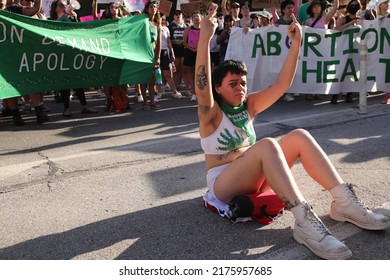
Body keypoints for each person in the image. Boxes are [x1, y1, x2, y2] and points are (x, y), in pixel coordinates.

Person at [195, 3, 390, 260]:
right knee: (266, 145)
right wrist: (205, 39)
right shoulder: (211, 114)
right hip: (224, 184)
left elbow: (283, 84)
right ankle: (304, 221)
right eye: (233, 84)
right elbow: (201, 85)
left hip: (255, 175)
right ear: (218, 89)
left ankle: (343, 202)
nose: (241, 87)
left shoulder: (249, 105)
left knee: (298, 135)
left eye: (243, 82)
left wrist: (296, 44)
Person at [1, 0, 49, 125]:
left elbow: (34, 10)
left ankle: (39, 112)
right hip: (4, 57)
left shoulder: (13, 10)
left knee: (29, 79)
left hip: (19, 55)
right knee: (9, 84)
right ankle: (16, 116)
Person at [49, 0, 98, 116]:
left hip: (72, 54)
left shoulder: (71, 18)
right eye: (61, 5)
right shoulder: (51, 21)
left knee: (77, 80)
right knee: (64, 82)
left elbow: (78, 32)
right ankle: (66, 108)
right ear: (55, 8)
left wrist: (74, 18)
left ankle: (84, 106)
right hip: (60, 55)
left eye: (65, 5)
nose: (64, 7)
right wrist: (61, 18)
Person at [332, 0, 364, 104]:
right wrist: (349, 24)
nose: (353, 6)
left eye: (355, 5)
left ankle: (349, 93)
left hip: (355, 50)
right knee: (340, 71)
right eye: (352, 4)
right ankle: (335, 94)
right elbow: (336, 29)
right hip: (342, 50)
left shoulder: (361, 19)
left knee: (352, 72)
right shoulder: (343, 19)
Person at [139, 0, 161, 110]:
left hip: (153, 55)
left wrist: (158, 57)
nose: (154, 8)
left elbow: (159, 43)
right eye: (151, 6)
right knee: (143, 80)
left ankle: (152, 102)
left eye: (155, 7)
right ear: (147, 9)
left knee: (152, 81)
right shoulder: (142, 22)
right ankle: (145, 103)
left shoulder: (157, 25)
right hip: (142, 54)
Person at [276, 0, 296, 102]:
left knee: (290, 71)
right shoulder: (278, 23)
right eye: (288, 8)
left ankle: (289, 93)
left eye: (292, 8)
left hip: (291, 51)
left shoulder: (295, 22)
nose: (291, 10)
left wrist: (296, 24)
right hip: (280, 53)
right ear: (283, 10)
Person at [169, 9, 190, 93]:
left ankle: (187, 89)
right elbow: (169, 39)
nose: (178, 15)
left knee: (184, 70)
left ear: (182, 16)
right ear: (173, 16)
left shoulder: (187, 26)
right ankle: (176, 88)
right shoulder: (170, 26)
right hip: (175, 49)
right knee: (176, 70)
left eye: (179, 14)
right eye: (176, 14)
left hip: (184, 49)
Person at [183, 10, 202, 101]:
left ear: (201, 18)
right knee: (191, 73)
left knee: (200, 73)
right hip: (190, 53)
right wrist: (192, 49)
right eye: (194, 16)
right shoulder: (188, 29)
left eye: (197, 16)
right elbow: (184, 42)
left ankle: (201, 93)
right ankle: (194, 93)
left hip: (201, 53)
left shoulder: (204, 29)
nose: (196, 18)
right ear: (192, 19)